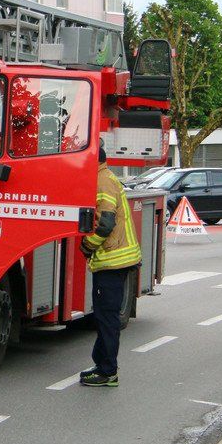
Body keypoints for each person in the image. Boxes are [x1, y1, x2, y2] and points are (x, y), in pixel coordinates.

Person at [79, 144, 143, 387]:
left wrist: (88, 246)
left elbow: (105, 224)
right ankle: (102, 364)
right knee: (105, 316)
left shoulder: (102, 182)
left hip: (112, 261)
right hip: (117, 260)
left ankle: (108, 372)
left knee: (106, 318)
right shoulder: (106, 177)